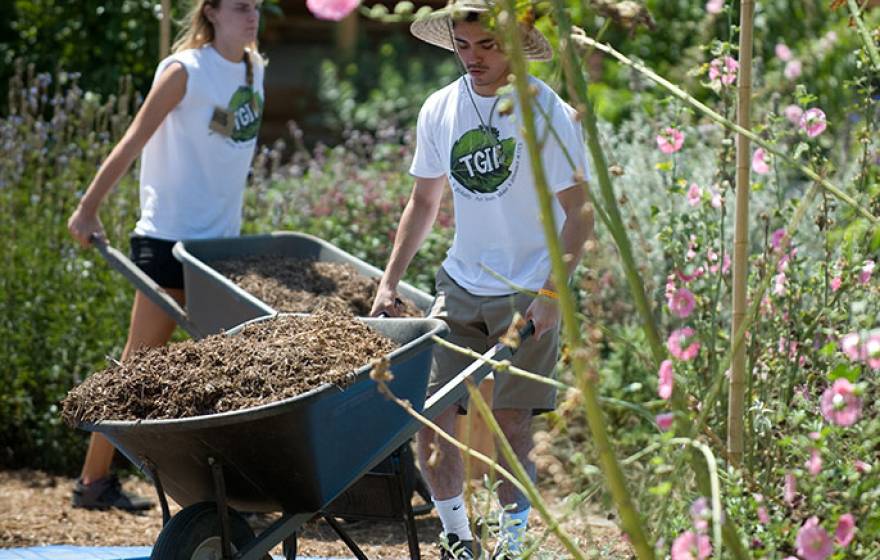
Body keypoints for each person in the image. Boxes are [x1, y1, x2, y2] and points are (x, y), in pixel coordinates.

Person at [370, 2, 593, 558]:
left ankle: (512, 547)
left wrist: (549, 295)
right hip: (462, 284)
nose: (473, 58)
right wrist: (388, 282)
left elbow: (582, 214)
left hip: (529, 287)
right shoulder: (441, 107)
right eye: (464, 45)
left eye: (487, 45)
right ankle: (457, 539)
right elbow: (423, 201)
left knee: (512, 426)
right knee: (431, 417)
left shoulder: (547, 111)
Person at [67, 0, 265, 511]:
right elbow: (135, 139)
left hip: (219, 248)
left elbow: (221, 137)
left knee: (228, 368)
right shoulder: (184, 72)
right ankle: (93, 483)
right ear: (213, 11)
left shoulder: (253, 68)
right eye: (240, 7)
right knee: (138, 366)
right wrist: (88, 209)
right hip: (169, 239)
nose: (252, 16)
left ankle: (234, 489)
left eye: (258, 6)